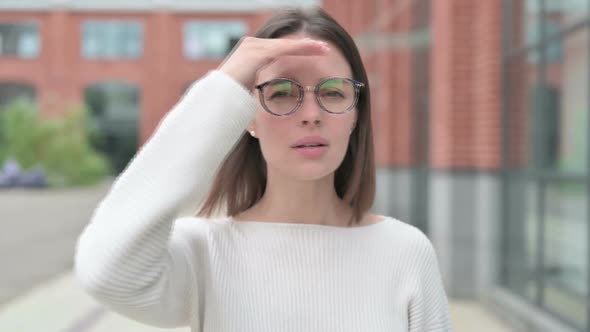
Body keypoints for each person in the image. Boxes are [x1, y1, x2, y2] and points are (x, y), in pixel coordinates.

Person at [74, 7, 453, 332]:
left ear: (356, 114)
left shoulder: (405, 251)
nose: (311, 116)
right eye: (282, 93)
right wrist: (225, 83)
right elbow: (106, 272)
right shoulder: (203, 251)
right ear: (247, 117)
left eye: (333, 92)